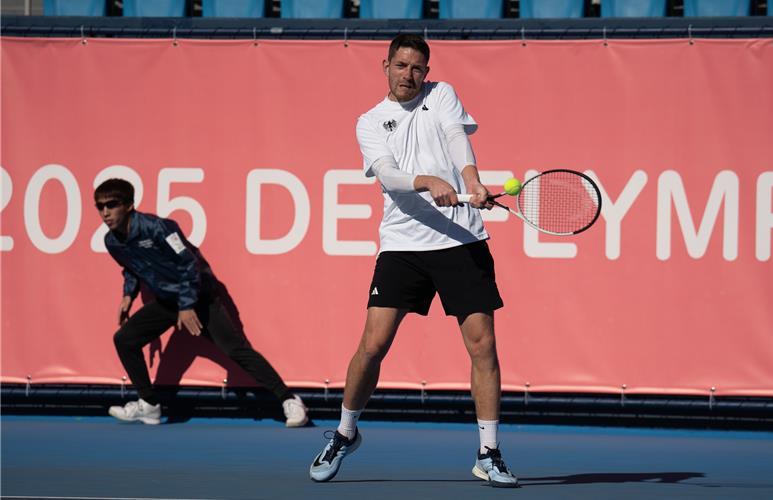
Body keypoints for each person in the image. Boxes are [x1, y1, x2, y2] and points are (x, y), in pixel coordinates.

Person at [308, 34, 517, 488]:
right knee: (373, 345)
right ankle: (345, 434)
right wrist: (426, 181)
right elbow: (387, 174)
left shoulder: (441, 95)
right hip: (403, 246)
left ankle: (489, 452)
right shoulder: (369, 121)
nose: (409, 75)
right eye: (401, 66)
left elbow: (455, 137)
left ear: (427, 70)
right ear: (385, 66)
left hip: (462, 240)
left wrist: (471, 180)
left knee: (483, 345)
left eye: (417, 68)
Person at [94, 178, 308, 427]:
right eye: (100, 207)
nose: (105, 212)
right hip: (168, 301)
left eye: (112, 204)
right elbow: (132, 268)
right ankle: (149, 405)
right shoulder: (112, 242)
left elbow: (189, 263)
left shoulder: (159, 228)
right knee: (124, 339)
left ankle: (289, 400)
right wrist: (128, 295)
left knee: (235, 349)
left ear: (129, 205)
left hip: (201, 297)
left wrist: (186, 306)